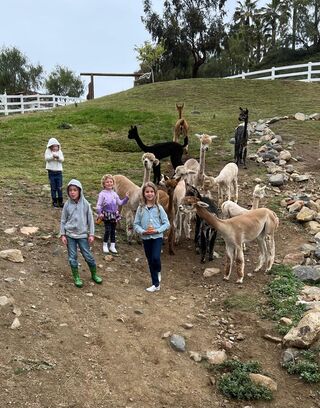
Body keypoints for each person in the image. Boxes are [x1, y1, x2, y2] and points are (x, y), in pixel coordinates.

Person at [60, 179, 102, 288]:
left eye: (75, 190)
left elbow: (91, 220)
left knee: (88, 256)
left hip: (82, 235)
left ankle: (94, 274)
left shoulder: (86, 204)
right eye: (70, 190)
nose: (72, 192)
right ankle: (76, 277)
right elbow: (63, 220)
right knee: (72, 257)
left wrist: (91, 234)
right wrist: (63, 234)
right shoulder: (67, 205)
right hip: (70, 235)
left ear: (80, 191)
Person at [133, 182, 170, 292]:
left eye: (151, 192)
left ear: (155, 193)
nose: (149, 194)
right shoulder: (141, 208)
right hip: (146, 238)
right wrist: (142, 231)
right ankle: (155, 284)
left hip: (157, 237)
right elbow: (136, 224)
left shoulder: (159, 208)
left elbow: (166, 223)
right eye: (147, 192)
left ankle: (158, 270)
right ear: (144, 194)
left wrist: (157, 230)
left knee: (155, 258)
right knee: (150, 260)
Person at [96, 174, 129, 254]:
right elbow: (99, 205)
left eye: (111, 182)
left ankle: (112, 245)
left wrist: (126, 198)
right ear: (104, 184)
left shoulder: (114, 194)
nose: (109, 183)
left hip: (114, 215)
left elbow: (120, 202)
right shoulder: (102, 194)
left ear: (113, 183)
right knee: (108, 230)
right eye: (107, 182)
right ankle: (105, 244)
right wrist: (100, 213)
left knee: (113, 230)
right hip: (106, 215)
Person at [44, 137, 64, 207]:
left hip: (58, 172)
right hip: (51, 172)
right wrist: (52, 157)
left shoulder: (60, 152)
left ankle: (60, 201)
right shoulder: (48, 151)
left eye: (56, 146)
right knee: (53, 187)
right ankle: (54, 200)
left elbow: (62, 159)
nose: (55, 148)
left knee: (59, 187)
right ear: (50, 146)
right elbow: (46, 158)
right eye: (53, 146)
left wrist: (58, 157)